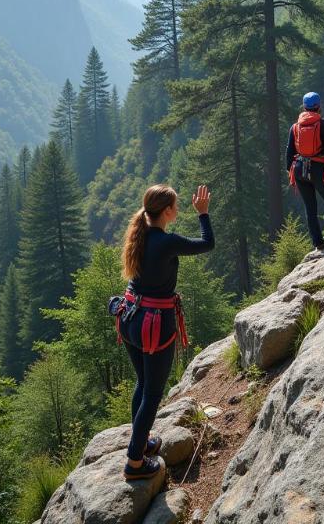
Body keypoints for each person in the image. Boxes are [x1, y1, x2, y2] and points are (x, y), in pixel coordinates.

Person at [117, 184, 214, 480]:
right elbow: (207, 243)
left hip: (130, 316)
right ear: (167, 211)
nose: (180, 207)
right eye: (176, 204)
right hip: (154, 324)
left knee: (143, 383)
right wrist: (203, 214)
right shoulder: (167, 241)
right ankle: (134, 462)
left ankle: (142, 442)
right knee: (153, 392)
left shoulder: (140, 233)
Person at [286, 91, 324, 250]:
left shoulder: (295, 127)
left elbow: (289, 151)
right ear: (319, 106)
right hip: (319, 169)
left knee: (310, 207)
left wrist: (289, 170)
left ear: (304, 107)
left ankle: (318, 243)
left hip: (299, 169)